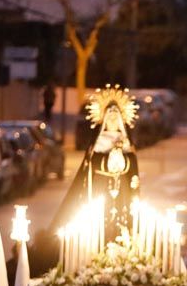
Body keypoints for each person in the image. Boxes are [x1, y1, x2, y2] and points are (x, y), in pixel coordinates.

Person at [53, 88, 139, 239]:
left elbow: (133, 170)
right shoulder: (99, 141)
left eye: (115, 116)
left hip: (122, 189)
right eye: (110, 116)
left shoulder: (126, 142)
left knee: (121, 217)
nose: (112, 119)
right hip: (101, 185)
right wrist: (109, 158)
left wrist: (122, 157)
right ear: (104, 119)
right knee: (102, 220)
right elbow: (91, 165)